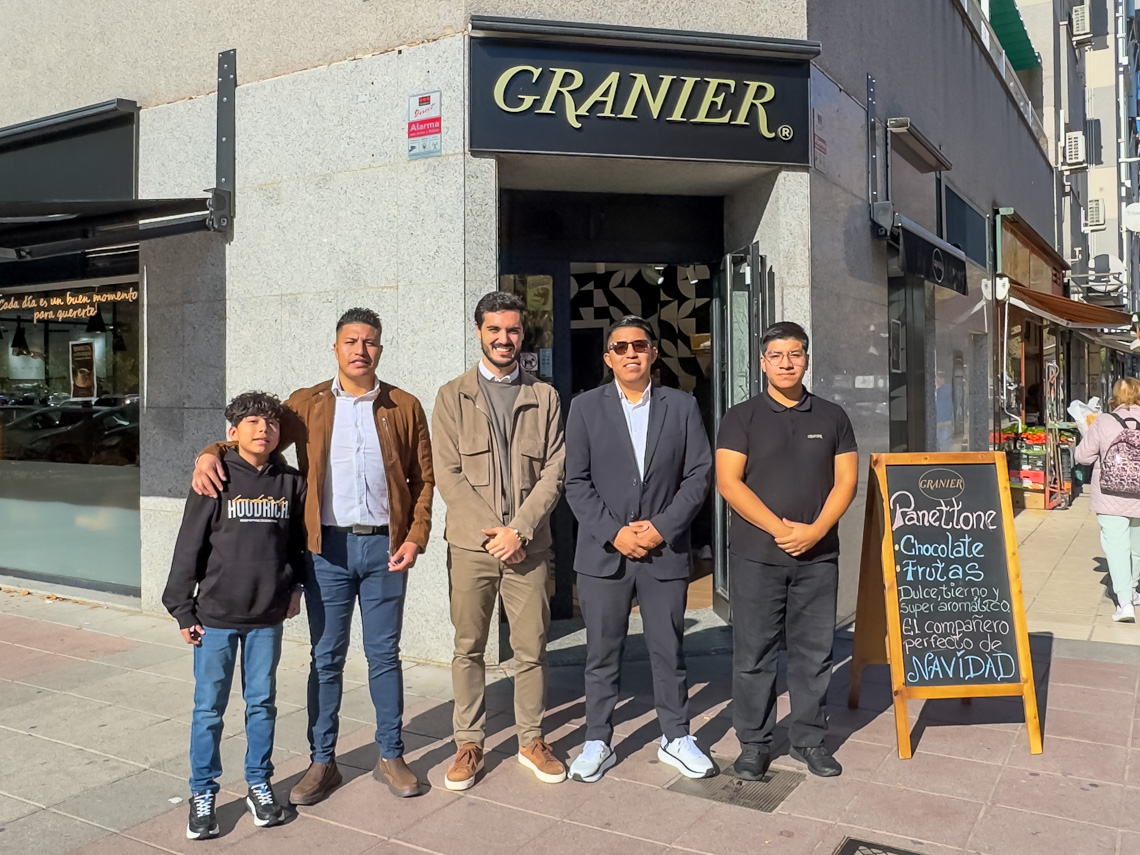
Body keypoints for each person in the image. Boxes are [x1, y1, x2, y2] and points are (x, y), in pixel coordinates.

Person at [191, 308, 434, 803]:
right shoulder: (305, 405)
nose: (360, 350)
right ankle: (323, 762)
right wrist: (210, 450)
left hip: (387, 547)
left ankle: (391, 753)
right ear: (336, 347)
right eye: (351, 341)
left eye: (369, 342)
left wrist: (415, 536)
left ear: (380, 349)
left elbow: (424, 480)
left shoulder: (403, 406)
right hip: (327, 550)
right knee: (326, 658)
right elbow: (255, 434)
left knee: (384, 656)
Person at [564, 316, 714, 783]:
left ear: (653, 354)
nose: (631, 353)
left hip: (663, 552)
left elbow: (699, 475)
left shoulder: (682, 406)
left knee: (668, 649)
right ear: (608, 357)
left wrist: (661, 528)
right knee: (601, 652)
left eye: (640, 345)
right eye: (621, 346)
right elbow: (576, 482)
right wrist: (616, 533)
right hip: (603, 553)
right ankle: (597, 740)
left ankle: (676, 735)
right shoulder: (585, 407)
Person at [432, 291, 567, 791]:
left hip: (528, 547)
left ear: (521, 334)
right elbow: (447, 475)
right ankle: (469, 742)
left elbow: (555, 471)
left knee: (531, 647)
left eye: (512, 330)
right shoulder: (452, 396)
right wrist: (496, 533)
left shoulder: (545, 396)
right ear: (478, 331)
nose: (504, 339)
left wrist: (520, 531)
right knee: (469, 646)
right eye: (495, 330)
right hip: (472, 548)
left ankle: (531, 739)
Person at [715, 321, 858, 779]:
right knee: (753, 654)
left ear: (807, 358)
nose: (785, 363)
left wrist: (814, 531)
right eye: (776, 356)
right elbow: (728, 482)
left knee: (814, 653)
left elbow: (847, 482)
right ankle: (754, 744)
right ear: (762, 363)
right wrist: (781, 529)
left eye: (794, 354)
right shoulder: (741, 417)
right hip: (757, 557)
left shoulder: (832, 416)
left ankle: (809, 740)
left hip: (818, 557)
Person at [163, 392, 306, 839]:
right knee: (209, 709)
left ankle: (259, 783)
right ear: (232, 433)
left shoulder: (292, 484)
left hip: (266, 617)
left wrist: (295, 587)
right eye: (253, 423)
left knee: (262, 705)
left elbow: (298, 544)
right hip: (216, 617)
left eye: (271, 424)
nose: (264, 430)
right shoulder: (215, 478)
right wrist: (182, 609)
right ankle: (202, 792)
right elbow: (189, 546)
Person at [1075, 377, 1140, 622]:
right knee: (1137, 547)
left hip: (1110, 495)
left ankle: (1124, 602)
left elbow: (1083, 457)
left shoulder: (1103, 420)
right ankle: (1133, 590)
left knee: (1116, 546)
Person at [935, 371, 953, 452]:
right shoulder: (936, 391)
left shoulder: (947, 389)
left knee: (944, 444)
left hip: (946, 422)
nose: (943, 379)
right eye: (940, 377)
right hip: (939, 422)